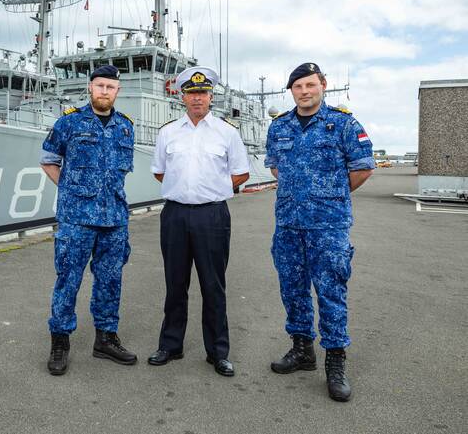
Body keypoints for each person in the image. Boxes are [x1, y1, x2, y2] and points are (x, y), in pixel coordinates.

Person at [265, 62, 374, 402]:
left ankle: (336, 362)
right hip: (288, 226)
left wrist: (330, 196)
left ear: (323, 85)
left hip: (328, 227)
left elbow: (362, 169)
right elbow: (276, 168)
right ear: (292, 91)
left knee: (331, 294)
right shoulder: (279, 127)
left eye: (310, 85)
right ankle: (302, 350)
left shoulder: (342, 124)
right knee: (293, 290)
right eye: (298, 87)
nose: (305, 92)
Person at [147, 66, 250, 376]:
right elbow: (159, 171)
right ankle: (170, 345)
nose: (197, 98)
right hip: (175, 214)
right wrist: (185, 190)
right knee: (175, 283)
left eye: (202, 93)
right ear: (183, 97)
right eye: (191, 93)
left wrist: (212, 191)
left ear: (211, 96)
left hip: (213, 215)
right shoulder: (168, 132)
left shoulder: (227, 132)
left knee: (213, 285)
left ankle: (218, 352)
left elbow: (241, 172)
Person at [39, 64, 137, 376]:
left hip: (115, 219)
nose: (104, 91)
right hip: (76, 219)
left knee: (111, 281)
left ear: (117, 91)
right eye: (99, 86)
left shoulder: (125, 127)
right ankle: (60, 340)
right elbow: (49, 160)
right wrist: (72, 190)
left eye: (110, 86)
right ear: (90, 89)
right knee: (68, 280)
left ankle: (105, 339)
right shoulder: (69, 123)